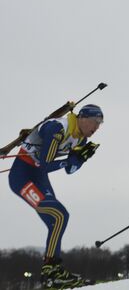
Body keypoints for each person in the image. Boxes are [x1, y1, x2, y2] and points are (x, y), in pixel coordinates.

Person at [8, 104, 103, 289]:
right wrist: (70, 159)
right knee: (58, 214)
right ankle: (51, 273)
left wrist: (80, 159)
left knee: (59, 218)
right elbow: (45, 165)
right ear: (82, 118)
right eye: (95, 122)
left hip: (38, 177)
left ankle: (54, 271)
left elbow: (70, 170)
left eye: (100, 124)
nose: (97, 127)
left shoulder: (80, 139)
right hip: (22, 177)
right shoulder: (57, 128)